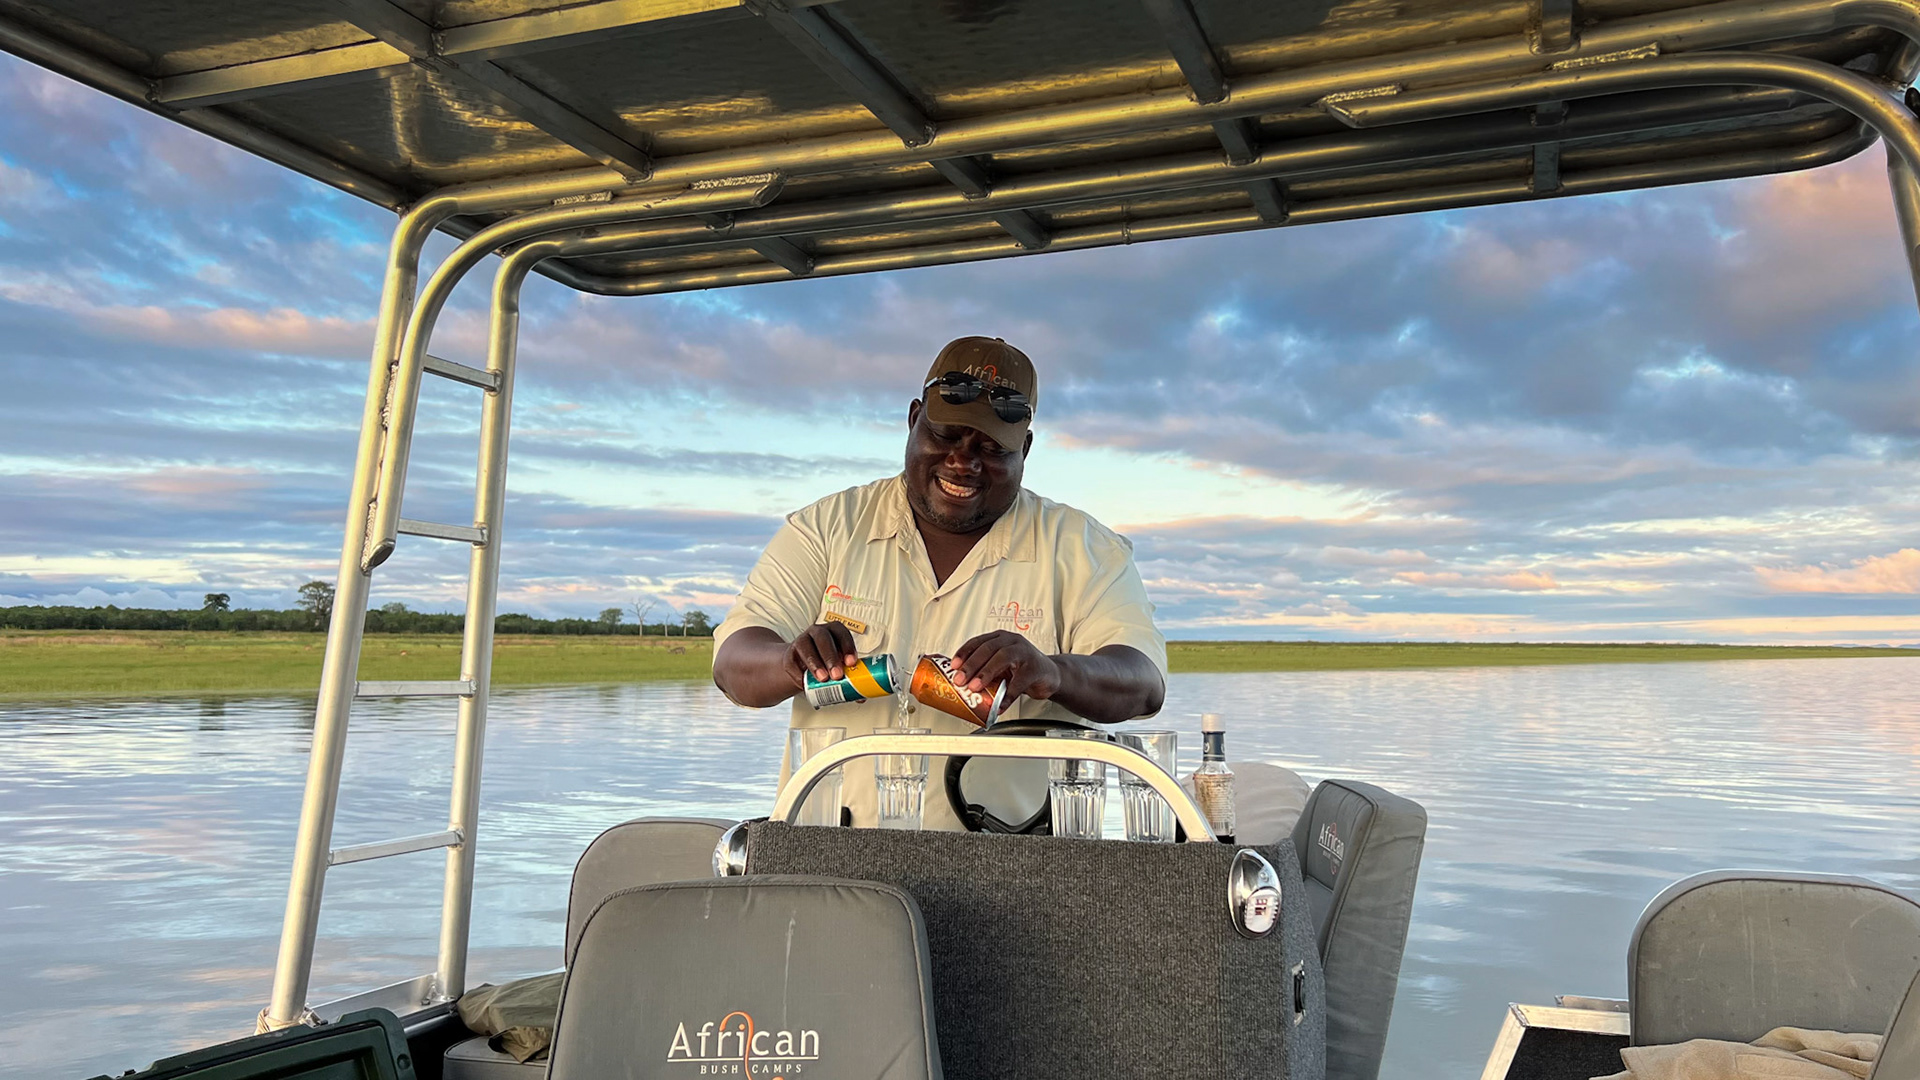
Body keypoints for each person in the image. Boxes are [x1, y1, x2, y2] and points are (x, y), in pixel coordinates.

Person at [712, 335, 1167, 829]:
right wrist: (789, 661)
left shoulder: (1085, 547)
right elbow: (733, 665)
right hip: (832, 858)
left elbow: (1143, 683)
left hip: (1016, 865)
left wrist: (1052, 673)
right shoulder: (827, 527)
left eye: (991, 448)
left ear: (1026, 449)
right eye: (948, 435)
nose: (964, 462)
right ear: (913, 419)